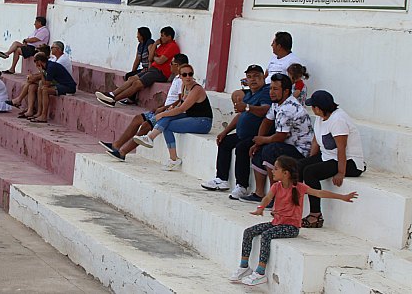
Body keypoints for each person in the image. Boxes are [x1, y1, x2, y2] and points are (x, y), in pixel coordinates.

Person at [230, 156, 358, 286]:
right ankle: (244, 266)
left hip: (291, 227)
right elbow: (267, 198)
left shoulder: (299, 187)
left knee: (266, 235)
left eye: (276, 169)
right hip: (277, 223)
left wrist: (343, 197)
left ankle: (260, 272)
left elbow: (319, 193)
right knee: (249, 231)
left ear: (286, 173)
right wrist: (260, 208)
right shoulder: (276, 186)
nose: (272, 171)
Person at [240, 74, 314, 204]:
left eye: (275, 89)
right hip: (287, 144)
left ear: (286, 91)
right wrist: (259, 141)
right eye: (270, 89)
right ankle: (259, 193)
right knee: (259, 149)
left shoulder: (288, 108)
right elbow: (267, 121)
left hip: (301, 151)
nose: (271, 93)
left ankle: (276, 197)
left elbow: (280, 136)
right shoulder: (277, 103)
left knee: (270, 150)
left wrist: (262, 140)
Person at [100, 53, 189, 161]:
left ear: (178, 65)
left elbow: (181, 100)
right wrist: (160, 107)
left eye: (172, 63)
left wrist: (164, 109)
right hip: (164, 109)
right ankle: (116, 145)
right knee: (138, 118)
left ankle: (123, 152)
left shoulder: (182, 81)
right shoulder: (176, 78)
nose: (169, 65)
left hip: (169, 112)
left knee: (146, 125)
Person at [202, 65, 272, 199]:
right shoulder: (249, 93)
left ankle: (242, 186)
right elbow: (240, 115)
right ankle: (221, 179)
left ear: (263, 77)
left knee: (241, 148)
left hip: (256, 134)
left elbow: (265, 109)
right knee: (225, 141)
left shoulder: (265, 92)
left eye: (257, 76)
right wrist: (225, 131)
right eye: (250, 77)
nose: (253, 80)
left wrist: (246, 107)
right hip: (242, 133)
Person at [298, 90, 365, 228]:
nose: (312, 109)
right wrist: (311, 159)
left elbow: (341, 148)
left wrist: (341, 172)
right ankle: (294, 206)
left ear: (319, 108)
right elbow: (316, 141)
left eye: (314, 106)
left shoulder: (338, 120)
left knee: (310, 172)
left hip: (349, 162)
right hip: (328, 157)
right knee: (298, 166)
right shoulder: (320, 117)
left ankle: (315, 216)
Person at [133, 63, 213, 170]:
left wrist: (161, 114)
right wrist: (169, 111)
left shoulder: (196, 89)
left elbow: (181, 109)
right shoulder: (184, 86)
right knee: (167, 119)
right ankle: (151, 139)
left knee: (167, 124)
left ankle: (171, 156)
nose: (188, 77)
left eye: (190, 74)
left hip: (203, 122)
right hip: (191, 116)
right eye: (184, 75)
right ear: (180, 76)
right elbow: (181, 103)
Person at [96, 26, 180, 107]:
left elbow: (160, 60)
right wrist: (155, 45)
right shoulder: (162, 45)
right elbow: (150, 58)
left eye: (162, 36)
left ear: (169, 37)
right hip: (153, 69)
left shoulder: (172, 46)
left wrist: (155, 57)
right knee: (131, 78)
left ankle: (113, 100)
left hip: (160, 72)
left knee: (137, 84)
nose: (160, 38)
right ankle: (112, 94)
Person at [232, 32, 302, 105]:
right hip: (263, 87)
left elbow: (297, 81)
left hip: (274, 90)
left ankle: (249, 112)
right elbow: (265, 76)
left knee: (253, 101)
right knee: (236, 95)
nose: (271, 45)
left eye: (273, 43)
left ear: (279, 46)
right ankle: (246, 112)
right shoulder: (273, 58)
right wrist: (251, 81)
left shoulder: (293, 60)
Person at [23, 52, 77, 123]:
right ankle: (39, 113)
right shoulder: (47, 66)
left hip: (68, 87)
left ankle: (44, 116)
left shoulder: (51, 67)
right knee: (40, 88)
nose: (35, 65)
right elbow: (44, 82)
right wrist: (41, 72)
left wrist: (41, 72)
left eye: (35, 62)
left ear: (39, 61)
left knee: (45, 90)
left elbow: (46, 84)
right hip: (60, 84)